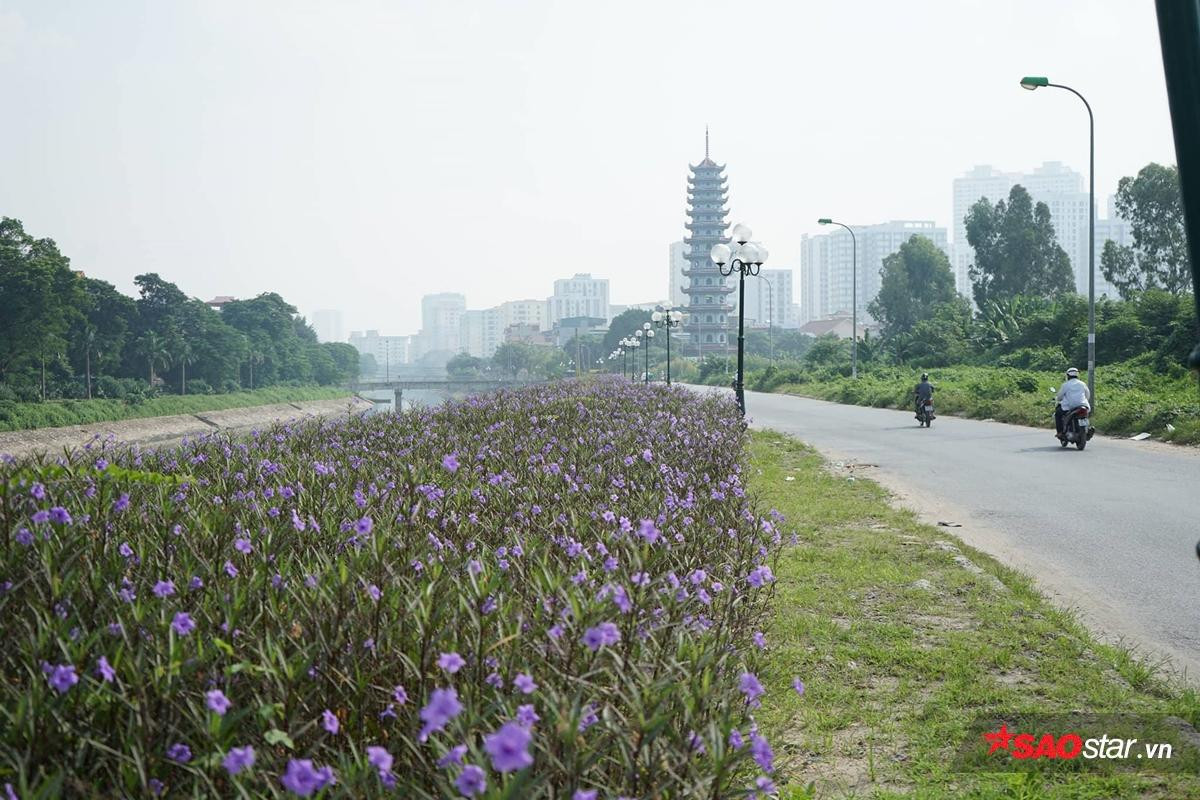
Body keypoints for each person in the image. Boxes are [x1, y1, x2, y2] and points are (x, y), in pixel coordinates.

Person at [1055, 367, 1090, 436]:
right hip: (1083, 405)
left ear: (1068, 376)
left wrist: (1059, 399)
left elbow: (1059, 397)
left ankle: (1060, 432)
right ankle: (1087, 429)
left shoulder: (1065, 385)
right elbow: (1088, 395)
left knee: (1058, 414)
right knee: (1086, 416)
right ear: (1077, 375)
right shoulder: (1082, 384)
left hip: (1070, 407)